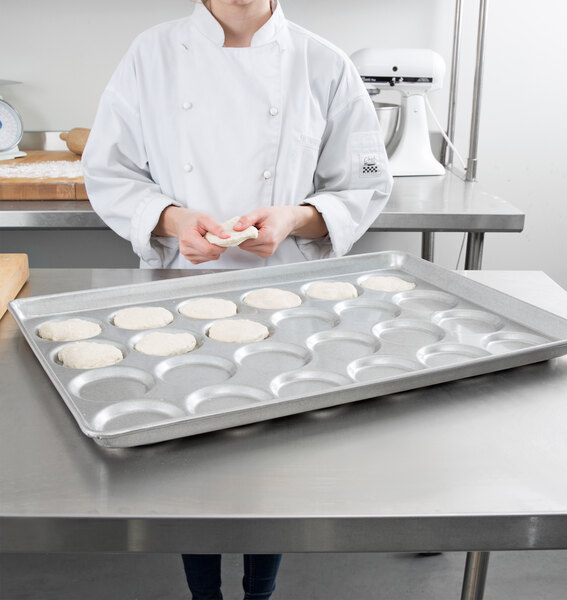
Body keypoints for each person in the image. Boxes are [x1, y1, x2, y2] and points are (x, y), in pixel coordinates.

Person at [82, 0, 392, 598]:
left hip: (283, 292)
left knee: (271, 458)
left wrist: (296, 218)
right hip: (178, 294)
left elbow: (362, 184)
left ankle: (259, 593)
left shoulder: (321, 62)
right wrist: (173, 219)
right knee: (186, 454)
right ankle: (203, 593)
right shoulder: (151, 54)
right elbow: (110, 171)